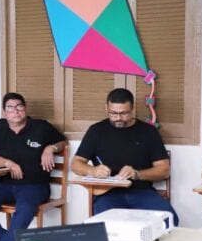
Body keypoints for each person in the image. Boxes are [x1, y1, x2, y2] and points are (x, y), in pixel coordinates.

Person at [0, 92, 67, 241]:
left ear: (25, 109)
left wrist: (50, 147)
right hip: (6, 183)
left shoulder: (40, 127)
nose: (15, 111)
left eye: (19, 107)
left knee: (25, 209)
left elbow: (63, 142)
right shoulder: (0, 126)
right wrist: (8, 163)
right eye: (10, 108)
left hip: (35, 185)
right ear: (4, 112)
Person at [71, 88, 178, 223]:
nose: (118, 118)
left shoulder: (148, 132)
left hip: (141, 192)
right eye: (113, 113)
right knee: (107, 226)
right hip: (107, 194)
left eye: (124, 113)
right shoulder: (96, 131)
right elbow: (76, 164)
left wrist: (137, 174)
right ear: (106, 108)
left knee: (169, 220)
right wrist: (93, 170)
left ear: (133, 109)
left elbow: (164, 170)